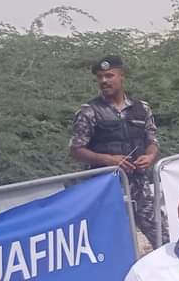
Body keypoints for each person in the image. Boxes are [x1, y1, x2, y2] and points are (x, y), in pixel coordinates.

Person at [70, 54, 164, 245]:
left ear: (122, 76)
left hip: (139, 187)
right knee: (113, 244)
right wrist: (108, 160)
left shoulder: (141, 108)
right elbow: (76, 150)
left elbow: (152, 140)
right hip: (106, 189)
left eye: (109, 75)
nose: (104, 81)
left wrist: (150, 156)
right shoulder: (89, 111)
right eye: (100, 77)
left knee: (163, 236)